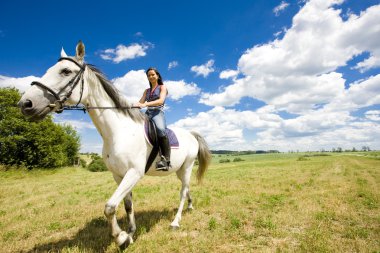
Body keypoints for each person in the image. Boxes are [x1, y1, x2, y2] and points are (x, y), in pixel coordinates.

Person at [136, 67, 171, 171]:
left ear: (157, 76)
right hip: (147, 113)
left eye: (153, 74)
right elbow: (140, 103)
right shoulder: (146, 91)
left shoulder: (162, 87)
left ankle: (165, 160)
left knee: (160, 130)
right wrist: (132, 105)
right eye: (149, 75)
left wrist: (145, 104)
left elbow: (160, 101)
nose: (151, 76)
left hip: (157, 112)